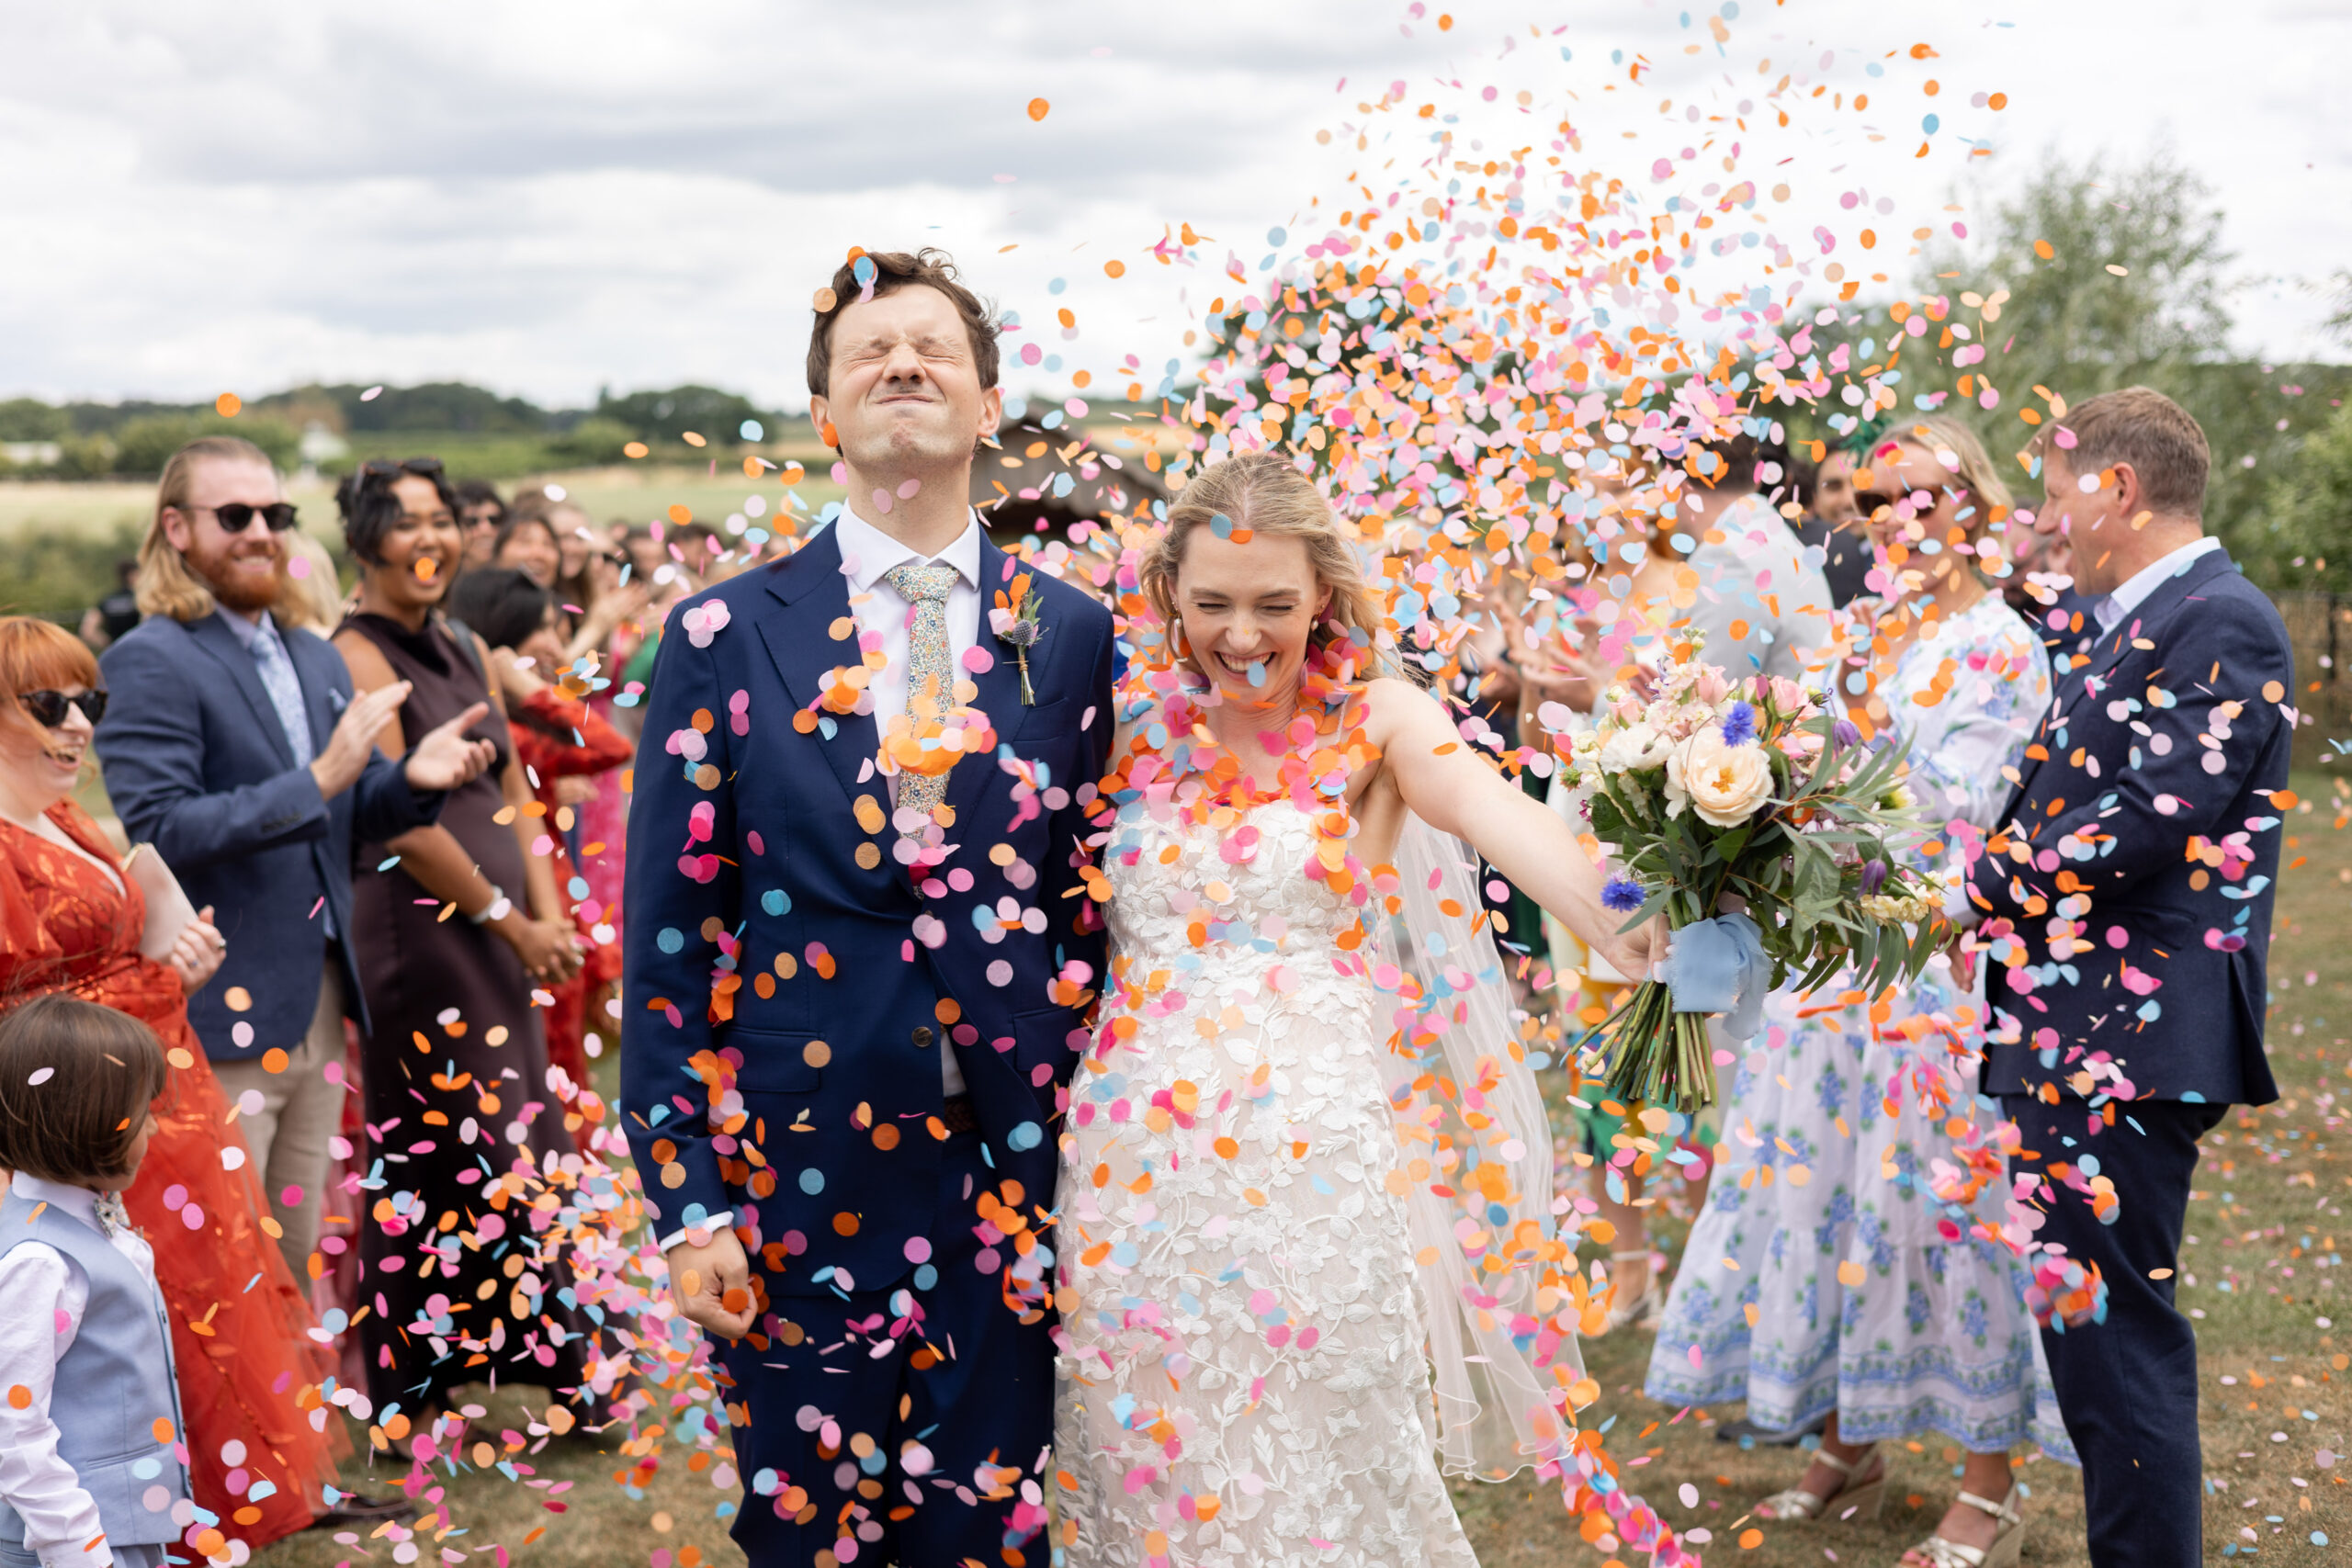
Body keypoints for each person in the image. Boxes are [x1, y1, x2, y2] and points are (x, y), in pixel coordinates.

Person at [1053, 452, 1662, 1566]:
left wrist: (1637, 915)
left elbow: (1509, 827)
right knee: (1143, 1448)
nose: (1243, 634)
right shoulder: (1126, 733)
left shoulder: (1378, 721)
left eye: (1275, 605)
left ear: (1322, 597)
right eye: (1214, 604)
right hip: (1130, 1161)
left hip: (1314, 1161)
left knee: (1322, 1441)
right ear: (1171, 601)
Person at [623, 248, 1119, 1566]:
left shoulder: (1074, 633)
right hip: (795, 1164)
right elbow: (669, 933)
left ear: (991, 401)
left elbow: (1099, 903)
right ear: (826, 416)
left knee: (989, 1529)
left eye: (935, 347)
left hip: (1014, 1165)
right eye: (869, 352)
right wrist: (690, 1203)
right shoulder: (723, 634)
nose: (904, 364)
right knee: (802, 1530)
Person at [1645, 418, 2065, 1567]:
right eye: (1876, 500)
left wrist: (1823, 748)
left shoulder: (1998, 644)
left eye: (1923, 496)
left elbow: (1951, 806)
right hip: (1813, 968)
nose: (1897, 519)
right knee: (1818, 1207)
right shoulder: (1852, 634)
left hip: (1927, 967)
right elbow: (1791, 772)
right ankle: (1848, 1442)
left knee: (1938, 1222)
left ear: (1976, 504)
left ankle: (1984, 1484)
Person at [1957, 387, 2292, 1568]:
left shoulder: (2222, 617)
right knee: (2090, 1351)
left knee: (2118, 1345)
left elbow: (2163, 812)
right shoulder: (2130, 620)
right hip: (2077, 1028)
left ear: (2117, 490)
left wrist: (1983, 885)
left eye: (2055, 497)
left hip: (2130, 1034)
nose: (2047, 524)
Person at [0, 617, 403, 1550]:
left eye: (87, 704)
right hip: (77, 1125)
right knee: (119, 1333)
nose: (78, 726)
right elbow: (22, 1016)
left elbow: (93, 956)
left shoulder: (62, 817)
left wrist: (176, 953)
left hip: (158, 1101)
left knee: (200, 1310)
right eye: (48, 705)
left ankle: (218, 1507)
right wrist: (156, 980)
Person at [94, 436, 497, 1280]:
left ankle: (285, 1415)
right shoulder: (150, 658)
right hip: (222, 1007)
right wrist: (318, 778)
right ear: (176, 528)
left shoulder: (310, 653)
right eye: (233, 515)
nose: (259, 533)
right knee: (219, 1264)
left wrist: (412, 780)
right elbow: (161, 826)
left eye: (274, 515)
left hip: (318, 999)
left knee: (294, 1248)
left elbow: (358, 803)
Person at [329, 457, 592, 1421]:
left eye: (441, 520)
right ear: (363, 542)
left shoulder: (469, 646)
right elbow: (400, 824)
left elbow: (514, 791)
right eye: (405, 524)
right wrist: (511, 922)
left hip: (503, 926)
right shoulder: (351, 654)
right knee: (447, 1140)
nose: (431, 540)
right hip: (419, 934)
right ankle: (413, 1379)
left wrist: (549, 909)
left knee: (519, 1134)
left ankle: (550, 1364)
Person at [0, 994, 191, 1568]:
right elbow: (14, 1426)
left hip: (122, 1528)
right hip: (71, 1544)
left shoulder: (93, 1223)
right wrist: (79, 1551)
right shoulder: (38, 1259)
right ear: (83, 1121)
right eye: (143, 1111)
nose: (155, 1126)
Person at [447, 566, 631, 1082]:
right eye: (543, 629)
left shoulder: (523, 721)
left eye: (560, 627)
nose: (557, 643)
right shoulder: (504, 728)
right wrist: (523, 684)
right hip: (523, 900)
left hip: (549, 893)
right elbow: (609, 746)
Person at [1673, 431, 1836, 683]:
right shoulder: (1778, 538)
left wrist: (1598, 698)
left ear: (1680, 488)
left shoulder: (1725, 556)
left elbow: (1699, 700)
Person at [1794, 443, 1874, 607]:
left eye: (1860, 484)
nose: (1848, 500)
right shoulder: (1797, 564)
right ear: (1815, 499)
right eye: (1834, 487)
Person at [76, 559, 141, 652]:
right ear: (132, 575)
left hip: (115, 653)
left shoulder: (107, 600)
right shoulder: (141, 600)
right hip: (138, 651)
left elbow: (87, 630)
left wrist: (108, 643)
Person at [454, 479, 506, 573]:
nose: (486, 530)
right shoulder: (441, 581)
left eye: (494, 520)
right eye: (472, 522)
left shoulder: (515, 581)